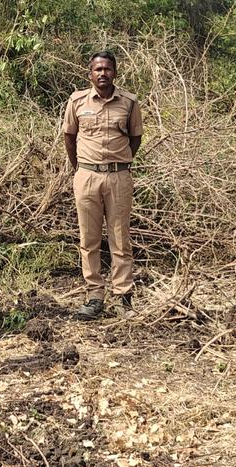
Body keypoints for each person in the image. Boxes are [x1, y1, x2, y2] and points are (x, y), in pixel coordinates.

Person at [62, 51, 144, 320]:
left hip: (119, 177)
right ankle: (94, 296)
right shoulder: (76, 102)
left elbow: (135, 139)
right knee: (89, 240)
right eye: (98, 69)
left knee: (120, 240)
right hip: (86, 177)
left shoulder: (130, 103)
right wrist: (81, 168)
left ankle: (123, 297)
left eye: (107, 69)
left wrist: (118, 163)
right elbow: (69, 138)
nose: (103, 73)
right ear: (90, 74)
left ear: (115, 73)